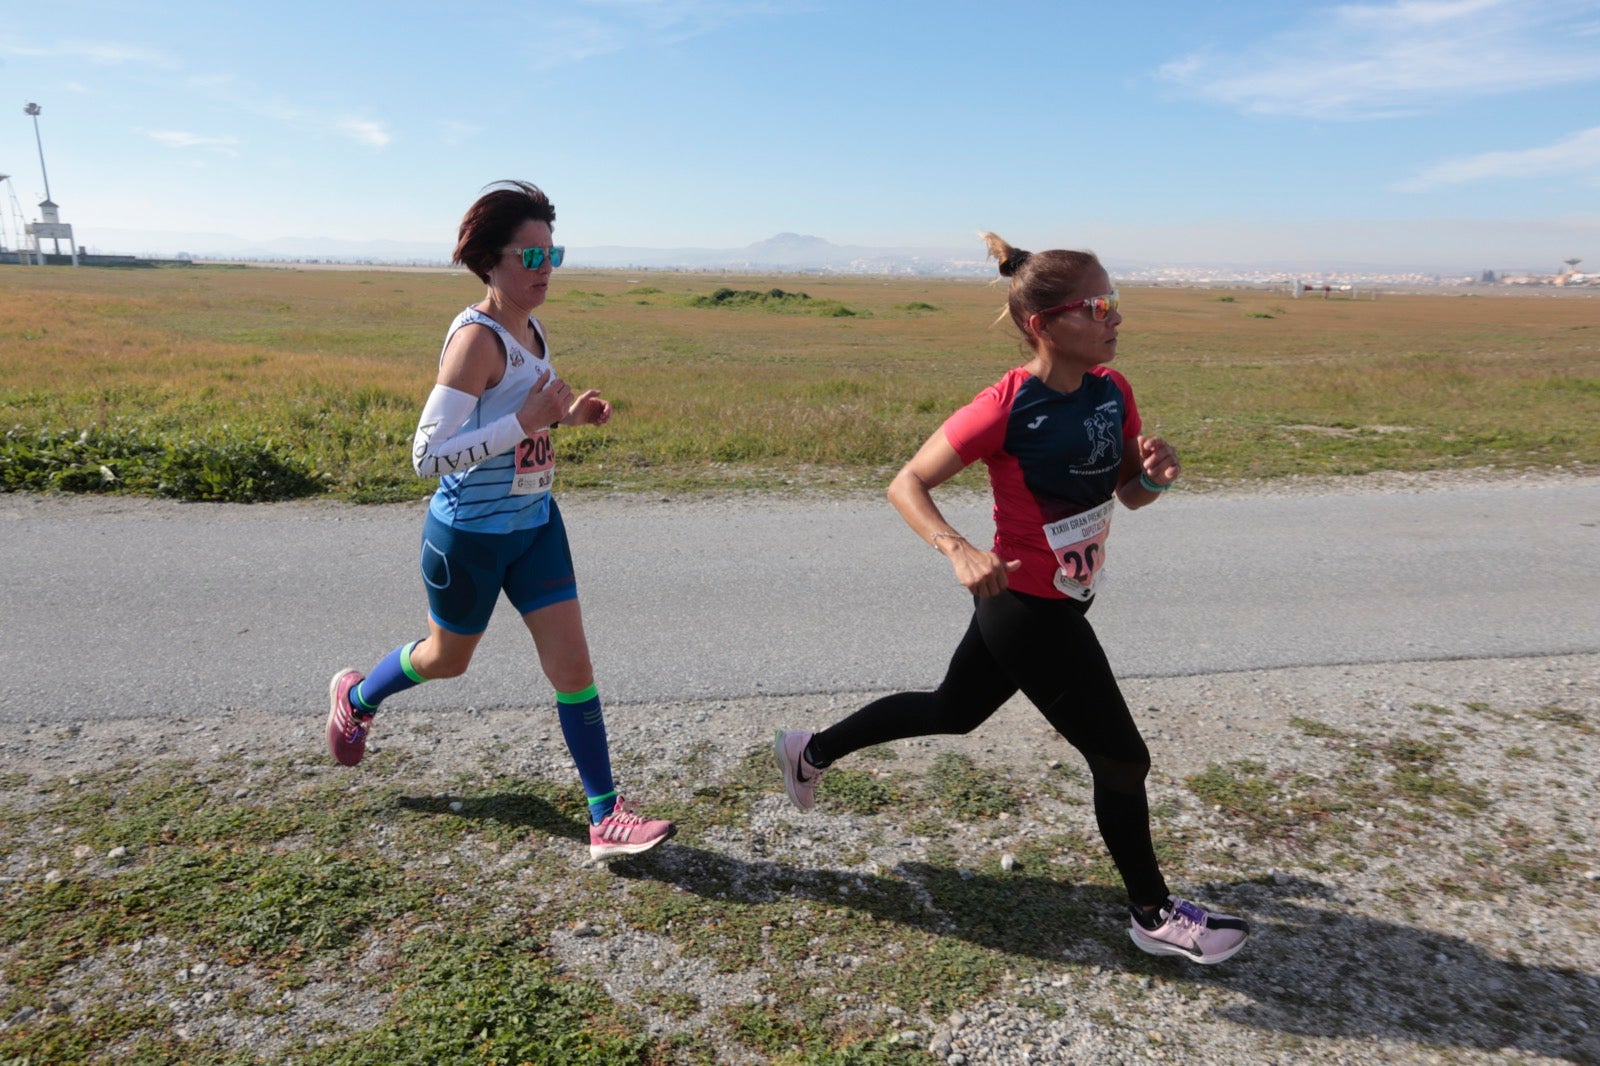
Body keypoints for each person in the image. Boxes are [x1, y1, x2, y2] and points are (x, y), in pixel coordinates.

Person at [773, 233, 1248, 964]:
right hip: (1023, 606)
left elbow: (1127, 492)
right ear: (1044, 324)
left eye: (1115, 302)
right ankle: (1152, 916)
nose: (1115, 318)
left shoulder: (1113, 392)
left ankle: (811, 752)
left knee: (952, 711)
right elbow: (907, 483)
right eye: (1099, 307)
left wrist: (1156, 477)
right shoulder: (1005, 405)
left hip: (1066, 596)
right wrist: (957, 547)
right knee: (1122, 759)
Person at [326, 180, 674, 861]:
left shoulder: (532, 328)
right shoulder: (475, 342)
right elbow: (427, 457)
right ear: (491, 260)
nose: (547, 271)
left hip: (536, 525)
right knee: (445, 660)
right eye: (532, 257)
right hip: (470, 540)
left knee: (573, 667)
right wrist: (528, 421)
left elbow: (520, 421)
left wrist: (566, 418)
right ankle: (358, 695)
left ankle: (605, 816)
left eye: (555, 255)